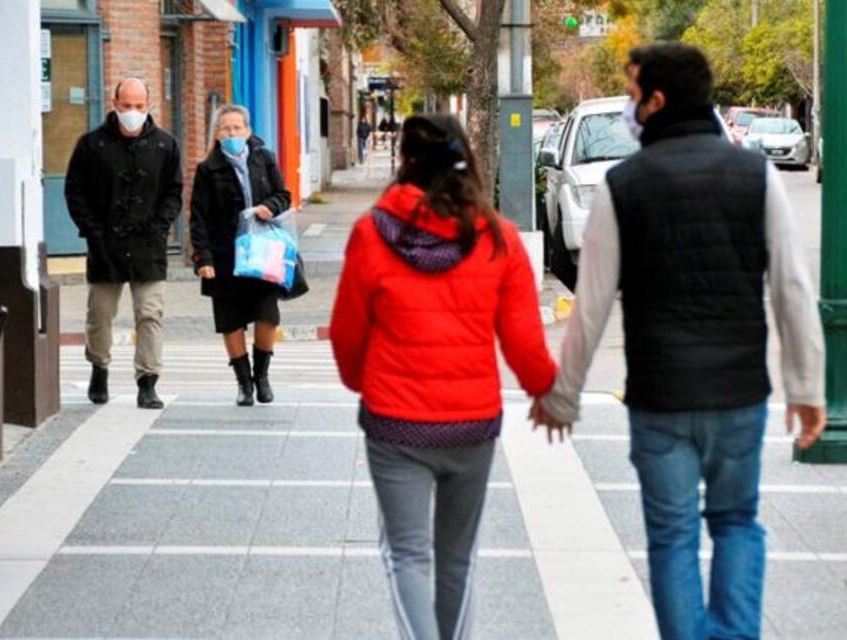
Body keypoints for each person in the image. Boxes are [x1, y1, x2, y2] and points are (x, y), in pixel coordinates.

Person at [534, 44, 827, 640]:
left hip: (660, 395)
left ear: (659, 102)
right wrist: (806, 389)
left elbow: (590, 307)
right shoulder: (756, 177)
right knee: (737, 523)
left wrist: (563, 397)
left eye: (634, 96)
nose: (630, 109)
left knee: (671, 536)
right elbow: (792, 290)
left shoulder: (622, 184)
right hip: (739, 393)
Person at [331, 114, 557, 640]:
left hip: (396, 424)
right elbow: (524, 343)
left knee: (406, 554)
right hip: (472, 424)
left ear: (405, 160)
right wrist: (548, 391)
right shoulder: (498, 238)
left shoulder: (371, 232)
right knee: (458, 559)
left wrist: (366, 384)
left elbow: (347, 334)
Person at [65, 77, 183, 410]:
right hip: (105, 245)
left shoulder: (165, 145)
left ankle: (148, 382)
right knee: (99, 314)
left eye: (139, 106)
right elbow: (76, 191)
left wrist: (160, 226)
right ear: (114, 104)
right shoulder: (91, 145)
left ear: (149, 105)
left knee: (150, 314)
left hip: (149, 245)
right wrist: (92, 231)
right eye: (127, 106)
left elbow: (174, 192)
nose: (133, 112)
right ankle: (99, 367)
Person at [190, 105, 292, 407]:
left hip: (263, 252)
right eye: (225, 129)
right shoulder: (208, 169)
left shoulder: (265, 158)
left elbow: (284, 195)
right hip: (225, 255)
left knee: (267, 316)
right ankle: (243, 383)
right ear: (217, 134)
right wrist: (203, 259)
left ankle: (262, 376)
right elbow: (198, 217)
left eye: (237, 128)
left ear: (248, 131)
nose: (232, 134)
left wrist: (270, 207)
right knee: (230, 320)